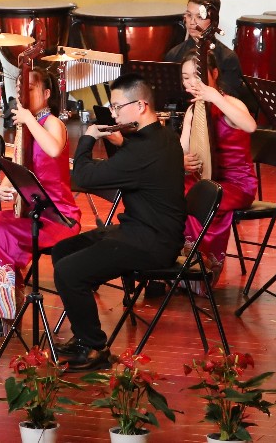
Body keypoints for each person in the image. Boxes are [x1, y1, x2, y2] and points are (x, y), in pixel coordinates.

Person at [51, 74, 186, 371]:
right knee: (63, 251)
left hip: (152, 243)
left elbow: (83, 177)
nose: (113, 114)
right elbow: (128, 167)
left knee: (69, 271)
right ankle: (83, 334)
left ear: (140, 106)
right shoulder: (159, 136)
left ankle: (94, 348)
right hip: (141, 230)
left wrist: (87, 138)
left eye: (116, 107)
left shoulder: (145, 150)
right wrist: (119, 144)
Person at [0, 67, 80, 336]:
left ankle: (5, 311)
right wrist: (5, 188)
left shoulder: (52, 123)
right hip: (30, 210)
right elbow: (18, 168)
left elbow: (53, 149)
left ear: (46, 93)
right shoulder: (26, 126)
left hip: (56, 215)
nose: (24, 94)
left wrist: (28, 119)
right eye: (21, 88)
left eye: (31, 89)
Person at [178, 54, 257, 280]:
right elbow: (181, 150)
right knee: (169, 191)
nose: (191, 82)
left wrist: (215, 98)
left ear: (214, 73)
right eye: (185, 77)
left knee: (204, 197)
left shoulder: (232, 104)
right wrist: (182, 161)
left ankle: (201, 269)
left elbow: (250, 126)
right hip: (205, 179)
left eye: (197, 76)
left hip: (237, 184)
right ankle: (173, 263)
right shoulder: (193, 110)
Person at [163, 0, 244, 96]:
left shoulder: (227, 58)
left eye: (200, 17)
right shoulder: (174, 54)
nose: (192, 22)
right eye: (189, 15)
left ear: (214, 20)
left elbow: (230, 98)